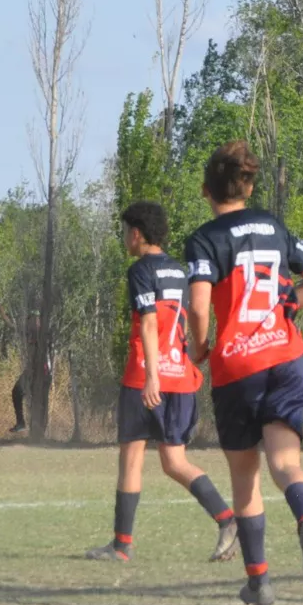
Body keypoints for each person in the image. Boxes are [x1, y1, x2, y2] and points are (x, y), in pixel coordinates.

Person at [185, 141, 303, 605]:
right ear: (247, 186)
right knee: (285, 465)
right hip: (286, 359)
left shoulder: (205, 239)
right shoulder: (273, 225)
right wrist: (286, 310)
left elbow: (198, 305)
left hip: (239, 367)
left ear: (207, 190)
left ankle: (260, 583)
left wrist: (200, 347)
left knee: (245, 478)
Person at [85, 201, 239, 563]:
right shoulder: (180, 271)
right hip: (180, 377)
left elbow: (150, 322)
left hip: (146, 377)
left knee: (132, 458)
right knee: (174, 462)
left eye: (126, 232)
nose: (125, 238)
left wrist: (151, 375)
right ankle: (227, 519)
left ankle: (122, 546)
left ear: (136, 234)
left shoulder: (141, 270)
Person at [2, 307, 50, 434]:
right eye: (31, 319)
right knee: (17, 392)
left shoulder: (43, 333)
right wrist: (0, 310)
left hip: (41, 371)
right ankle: (21, 423)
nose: (34, 322)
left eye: (36, 319)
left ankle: (38, 430)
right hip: (30, 371)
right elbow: (11, 325)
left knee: (37, 401)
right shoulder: (28, 331)